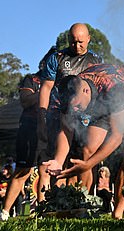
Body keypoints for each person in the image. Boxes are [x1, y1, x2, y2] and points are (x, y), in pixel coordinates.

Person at [42, 63, 124, 219]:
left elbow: (117, 136)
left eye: (76, 106)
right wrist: (58, 161)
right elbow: (66, 129)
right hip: (101, 108)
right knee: (87, 151)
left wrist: (89, 165)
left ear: (85, 91)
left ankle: (118, 211)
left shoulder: (113, 87)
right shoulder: (66, 91)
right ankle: (84, 203)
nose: (74, 111)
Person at [36, 24, 101, 199]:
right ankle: (56, 200)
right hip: (60, 113)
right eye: (73, 42)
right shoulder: (56, 58)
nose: (77, 46)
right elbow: (46, 87)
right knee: (59, 158)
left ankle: (84, 199)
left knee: (85, 157)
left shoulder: (95, 60)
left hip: (86, 117)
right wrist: (42, 113)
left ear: (88, 39)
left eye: (81, 42)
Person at [0, 48, 56, 221]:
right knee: (24, 170)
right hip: (29, 128)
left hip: (49, 128)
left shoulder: (59, 81)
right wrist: (45, 91)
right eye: (48, 63)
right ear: (43, 64)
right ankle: (5, 212)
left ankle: (42, 212)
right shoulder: (32, 79)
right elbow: (25, 101)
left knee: (46, 169)